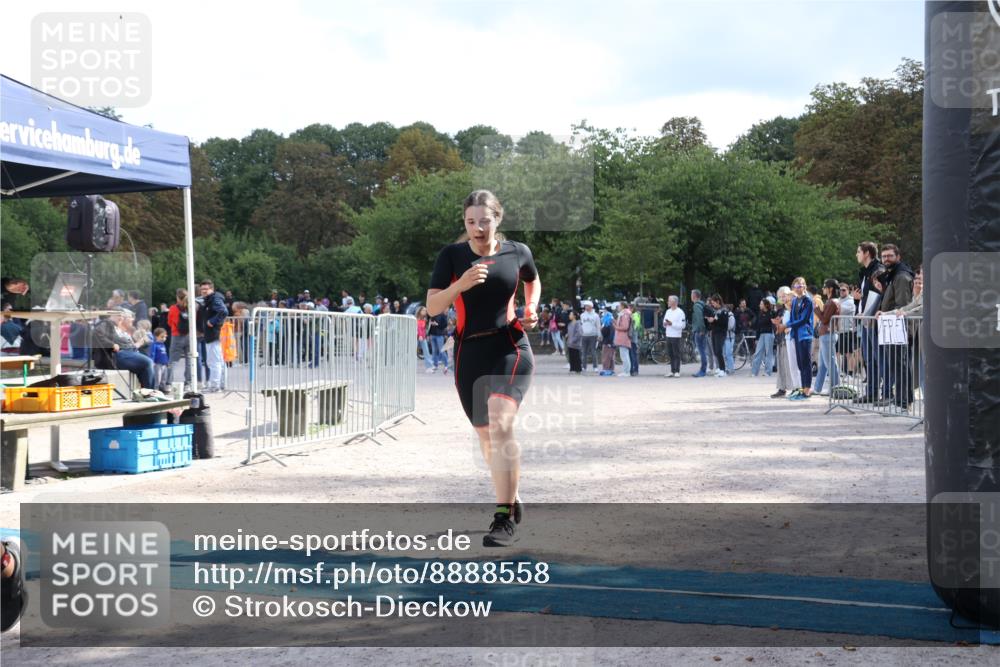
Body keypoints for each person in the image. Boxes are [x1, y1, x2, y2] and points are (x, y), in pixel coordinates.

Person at [426, 189, 540, 547]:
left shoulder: (517, 252)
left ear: (498, 220)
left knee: (500, 420)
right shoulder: (452, 256)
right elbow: (432, 307)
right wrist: (459, 284)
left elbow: (532, 280)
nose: (477, 228)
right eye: (470, 221)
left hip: (509, 346)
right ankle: (512, 492)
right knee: (486, 437)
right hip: (468, 353)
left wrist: (531, 306)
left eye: (484, 221)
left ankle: (503, 517)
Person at [876, 243, 914, 409]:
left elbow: (903, 305)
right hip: (891, 327)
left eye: (890, 256)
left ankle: (903, 400)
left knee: (900, 364)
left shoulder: (901, 276)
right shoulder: (892, 275)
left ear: (898, 257)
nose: (886, 259)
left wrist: (886, 314)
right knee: (896, 365)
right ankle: (901, 399)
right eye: (884, 256)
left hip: (899, 328)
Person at [93, 307, 156, 389]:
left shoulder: (116, 327)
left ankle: (146, 392)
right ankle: (149, 392)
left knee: (145, 366)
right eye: (119, 315)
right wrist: (111, 344)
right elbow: (96, 334)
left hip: (126, 353)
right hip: (117, 355)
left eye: (122, 316)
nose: (121, 318)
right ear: (113, 315)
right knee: (147, 362)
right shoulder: (106, 323)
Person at [852, 242, 884, 403]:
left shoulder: (878, 270)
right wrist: (858, 300)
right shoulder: (865, 273)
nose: (856, 254)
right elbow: (866, 297)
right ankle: (871, 393)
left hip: (874, 321)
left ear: (867, 253)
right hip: (866, 320)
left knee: (879, 357)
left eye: (858, 251)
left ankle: (886, 394)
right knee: (868, 358)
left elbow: (879, 296)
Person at [786, 277, 815, 400]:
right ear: (794, 288)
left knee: (805, 362)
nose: (800, 287)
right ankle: (803, 388)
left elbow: (803, 319)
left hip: (805, 334)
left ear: (805, 287)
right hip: (796, 334)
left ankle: (807, 389)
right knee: (799, 363)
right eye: (797, 286)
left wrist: (787, 325)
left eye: (802, 285)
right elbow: (793, 318)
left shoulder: (808, 300)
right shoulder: (794, 301)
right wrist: (786, 325)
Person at [812, 279, 842, 396]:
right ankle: (817, 388)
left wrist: (816, 309)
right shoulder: (832, 301)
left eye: (825, 287)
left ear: (830, 289)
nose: (823, 289)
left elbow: (824, 319)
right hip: (826, 334)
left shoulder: (832, 302)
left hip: (827, 335)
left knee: (830, 362)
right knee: (823, 364)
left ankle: (835, 389)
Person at [199, 279, 229, 392]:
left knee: (213, 361)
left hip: (213, 333)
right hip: (214, 333)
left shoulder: (214, 299)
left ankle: (215, 386)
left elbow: (224, 311)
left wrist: (212, 321)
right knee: (218, 360)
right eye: (202, 289)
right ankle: (220, 384)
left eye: (206, 289)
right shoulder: (212, 299)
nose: (203, 291)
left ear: (212, 289)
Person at [771, 288, 800, 398]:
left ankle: (794, 387)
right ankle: (782, 388)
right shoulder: (780, 309)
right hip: (781, 339)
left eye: (784, 296)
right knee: (781, 365)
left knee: (790, 364)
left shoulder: (791, 307)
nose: (783, 298)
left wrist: (781, 323)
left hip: (789, 338)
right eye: (781, 296)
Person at [166, 289, 191, 390]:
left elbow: (169, 322)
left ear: (177, 297)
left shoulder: (173, 308)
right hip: (189, 336)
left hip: (176, 336)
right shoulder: (190, 307)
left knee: (173, 361)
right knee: (189, 361)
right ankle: (188, 383)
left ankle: (168, 383)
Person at [705, 295, 729, 377]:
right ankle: (719, 369)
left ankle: (723, 369)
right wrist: (711, 321)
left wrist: (715, 320)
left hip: (721, 333)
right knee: (715, 351)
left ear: (718, 301)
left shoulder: (724, 310)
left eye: (713, 303)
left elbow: (724, 323)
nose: (712, 305)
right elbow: (714, 322)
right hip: (714, 332)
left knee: (719, 351)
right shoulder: (715, 311)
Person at [662, 295, 686, 377]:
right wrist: (665, 324)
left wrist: (672, 324)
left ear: (674, 302)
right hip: (668, 334)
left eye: (669, 300)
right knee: (670, 353)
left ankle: (677, 371)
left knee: (676, 353)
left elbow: (683, 325)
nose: (668, 302)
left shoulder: (680, 312)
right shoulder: (668, 311)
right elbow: (664, 322)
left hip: (676, 335)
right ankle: (672, 370)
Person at [751, 298, 775, 377]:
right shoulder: (760, 313)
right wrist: (757, 338)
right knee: (758, 353)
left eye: (761, 304)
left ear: (766, 305)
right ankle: (754, 372)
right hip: (761, 334)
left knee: (768, 353)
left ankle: (768, 372)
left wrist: (761, 322)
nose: (759, 305)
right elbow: (758, 326)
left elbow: (764, 322)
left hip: (769, 334)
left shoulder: (771, 313)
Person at [690, 290, 710, 377]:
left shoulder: (696, 306)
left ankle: (702, 370)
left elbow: (699, 318)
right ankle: (704, 369)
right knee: (703, 351)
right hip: (702, 331)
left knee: (702, 351)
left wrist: (702, 330)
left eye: (691, 294)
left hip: (699, 331)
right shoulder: (702, 304)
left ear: (694, 296)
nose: (691, 296)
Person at [579, 301, 600, 373]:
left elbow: (598, 326)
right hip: (584, 335)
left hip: (593, 335)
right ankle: (584, 367)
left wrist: (599, 335)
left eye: (587, 306)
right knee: (584, 352)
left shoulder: (596, 315)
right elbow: (581, 325)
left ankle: (595, 367)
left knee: (593, 351)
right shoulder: (582, 315)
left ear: (591, 306)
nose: (585, 307)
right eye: (585, 306)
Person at [613, 302, 633, 377]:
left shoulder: (625, 314)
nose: (618, 307)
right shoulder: (624, 313)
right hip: (623, 336)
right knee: (624, 354)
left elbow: (625, 327)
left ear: (622, 306)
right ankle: (626, 371)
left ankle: (626, 372)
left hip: (624, 336)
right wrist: (615, 322)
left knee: (624, 355)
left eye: (619, 306)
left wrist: (616, 327)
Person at [416, 306, 434, 373]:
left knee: (426, 352)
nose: (425, 312)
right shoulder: (416, 319)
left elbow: (424, 328)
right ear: (420, 311)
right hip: (417, 337)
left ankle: (429, 367)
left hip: (423, 337)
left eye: (425, 311)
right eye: (423, 310)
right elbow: (418, 327)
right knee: (413, 352)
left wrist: (431, 323)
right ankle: (409, 366)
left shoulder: (425, 319)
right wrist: (420, 335)